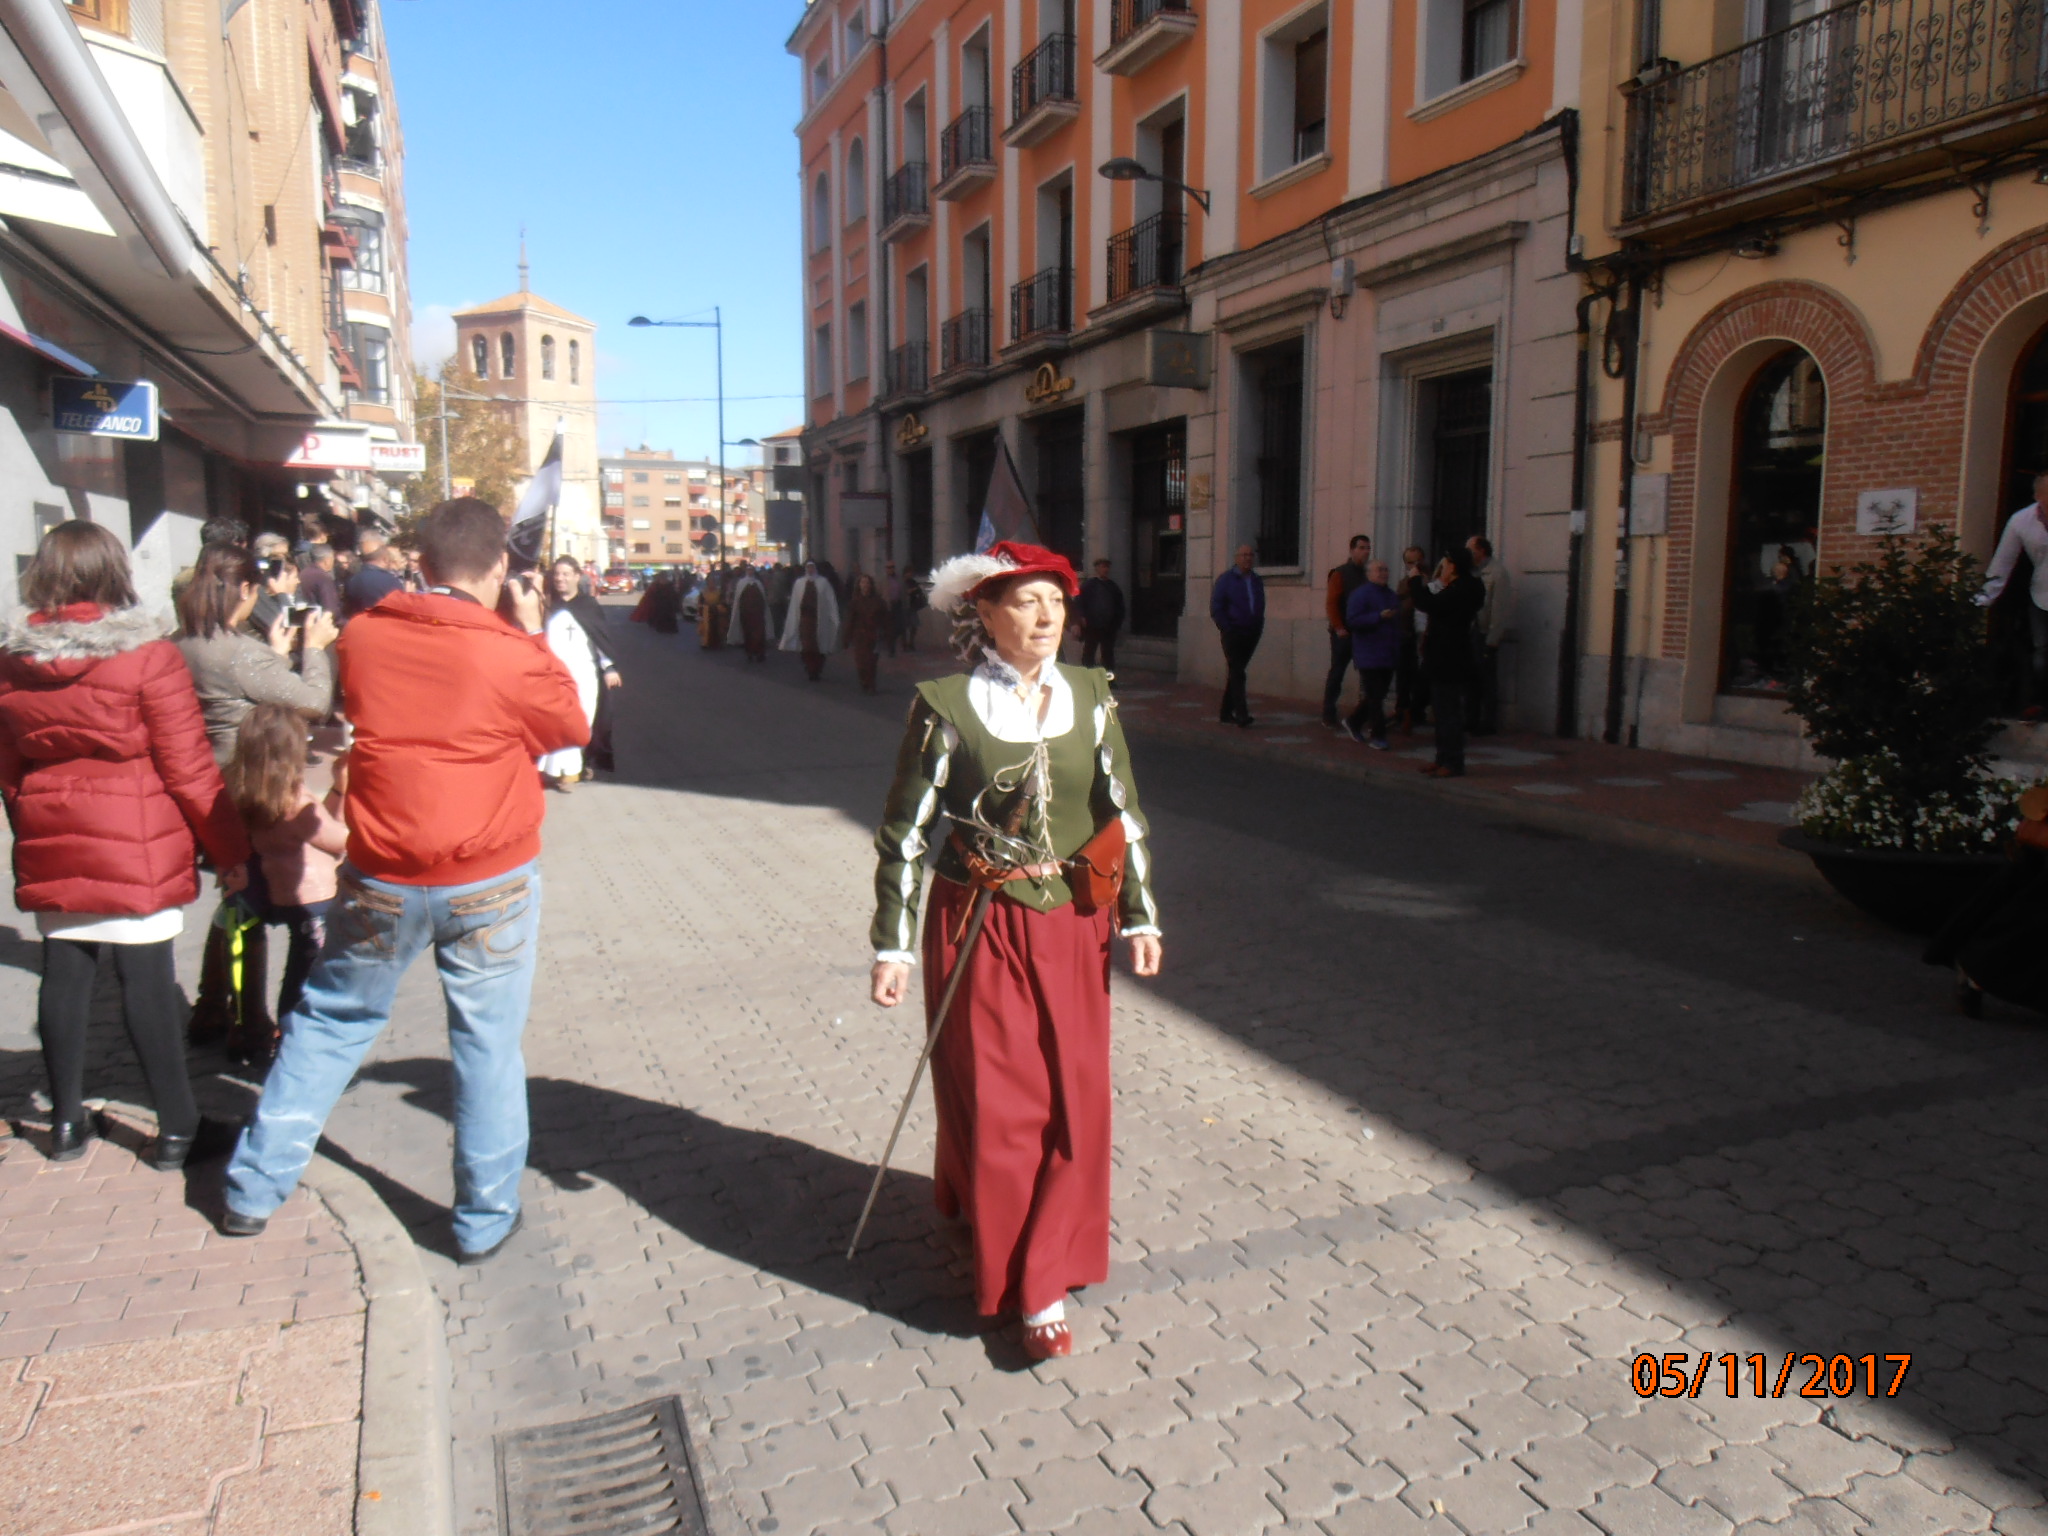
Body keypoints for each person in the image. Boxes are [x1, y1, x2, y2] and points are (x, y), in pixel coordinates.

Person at [221, 498, 589, 1260]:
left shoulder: (363, 635)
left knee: (330, 1021)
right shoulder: (506, 648)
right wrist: (526, 626)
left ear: (420, 563)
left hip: (380, 872)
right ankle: (482, 1220)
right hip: (489, 876)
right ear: (497, 568)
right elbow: (569, 725)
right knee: (486, 1045)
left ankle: (252, 1188)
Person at [869, 540, 1162, 1362]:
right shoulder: (947, 704)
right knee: (1001, 1101)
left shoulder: (1092, 696)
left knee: (1075, 1101)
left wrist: (1140, 915)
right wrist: (890, 945)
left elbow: (1122, 812)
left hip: (1071, 921)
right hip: (979, 921)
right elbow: (905, 833)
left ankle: (1046, 1263)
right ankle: (1024, 1284)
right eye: (1026, 602)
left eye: (1057, 603)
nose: (1045, 618)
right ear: (985, 615)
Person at [0, 522, 251, 1169]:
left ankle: (62, 1124)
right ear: (115, 572)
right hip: (136, 841)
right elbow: (189, 767)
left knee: (65, 975)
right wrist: (230, 850)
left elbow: (7, 767)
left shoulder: (11, 659)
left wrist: (27, 828)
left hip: (51, 834)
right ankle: (176, 1130)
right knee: (144, 979)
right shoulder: (148, 656)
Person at [226, 703, 348, 1033]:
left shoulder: (250, 795)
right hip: (318, 899)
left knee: (299, 969)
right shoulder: (298, 803)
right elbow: (338, 840)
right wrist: (347, 791)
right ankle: (297, 1041)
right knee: (315, 977)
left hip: (284, 897)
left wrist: (336, 789)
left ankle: (283, 1034)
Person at [176, 544, 338, 766]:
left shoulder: (178, 640)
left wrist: (277, 656)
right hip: (241, 768)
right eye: (255, 591)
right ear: (244, 590)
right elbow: (315, 702)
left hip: (198, 759)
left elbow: (240, 682)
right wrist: (315, 647)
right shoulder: (241, 652)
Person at [538, 555, 623, 792]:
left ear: (577, 576)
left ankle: (574, 766)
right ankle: (563, 772)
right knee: (558, 722)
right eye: (557, 574)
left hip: (583, 673)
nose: (560, 579)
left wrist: (608, 667)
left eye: (566, 574)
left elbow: (600, 640)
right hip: (553, 674)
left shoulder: (589, 606)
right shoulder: (547, 605)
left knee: (582, 720)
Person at [1411, 547, 1486, 778]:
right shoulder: (1467, 586)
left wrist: (1415, 581)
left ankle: (1453, 762)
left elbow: (1427, 603)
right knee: (1441, 712)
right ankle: (1442, 757)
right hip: (1445, 656)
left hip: (1449, 658)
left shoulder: (1462, 589)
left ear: (1454, 566)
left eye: (1446, 563)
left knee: (1449, 713)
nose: (1442, 567)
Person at [1980, 480, 2048, 719]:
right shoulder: (2022, 521)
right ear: (2039, 497)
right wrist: (1983, 600)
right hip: (2043, 594)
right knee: (2042, 652)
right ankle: (2041, 702)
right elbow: (2003, 562)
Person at [1341, 560, 1403, 749]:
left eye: (1386, 569)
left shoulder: (1391, 595)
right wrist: (1377, 617)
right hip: (1368, 653)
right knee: (1376, 697)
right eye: (1379, 570)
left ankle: (1353, 721)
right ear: (1369, 574)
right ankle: (1378, 736)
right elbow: (1352, 620)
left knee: (1378, 694)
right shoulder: (1360, 594)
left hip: (1388, 653)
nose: (1384, 573)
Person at [1210, 543, 1265, 728]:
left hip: (1251, 632)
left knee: (1236, 672)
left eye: (1250, 555)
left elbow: (1260, 604)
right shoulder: (1226, 580)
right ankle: (1242, 714)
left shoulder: (1256, 580)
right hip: (1233, 632)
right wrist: (1226, 627)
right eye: (1243, 555)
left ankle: (1225, 712)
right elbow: (1217, 607)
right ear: (1236, 558)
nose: (1247, 558)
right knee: (1238, 672)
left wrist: (1258, 626)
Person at [1322, 535, 1372, 729]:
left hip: (1364, 633)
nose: (1365, 551)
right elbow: (1332, 602)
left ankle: (1364, 713)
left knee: (1368, 675)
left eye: (1367, 548)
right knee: (1337, 672)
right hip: (1344, 633)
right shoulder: (1340, 573)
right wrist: (1339, 627)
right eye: (1361, 548)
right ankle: (1328, 712)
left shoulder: (1370, 574)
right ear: (1352, 550)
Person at [1466, 535, 1512, 735]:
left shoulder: (1497, 573)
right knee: (1470, 678)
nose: (1467, 552)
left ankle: (1487, 722)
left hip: (1485, 633)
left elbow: (1499, 609)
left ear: (1481, 550)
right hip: (1470, 631)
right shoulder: (1471, 571)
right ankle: (1470, 719)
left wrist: (1493, 639)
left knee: (1486, 680)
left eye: (1470, 548)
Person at [782, 561, 842, 682]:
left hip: (820, 620)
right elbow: (795, 603)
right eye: (808, 567)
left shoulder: (823, 583)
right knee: (807, 646)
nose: (810, 570)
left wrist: (833, 617)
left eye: (812, 567)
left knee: (819, 645)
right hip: (805, 621)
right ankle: (809, 668)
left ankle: (817, 668)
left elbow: (829, 601)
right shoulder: (799, 583)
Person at [1394, 545, 1431, 733]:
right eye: (1410, 562)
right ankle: (1403, 711)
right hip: (1407, 635)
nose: (1415, 565)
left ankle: (1418, 711)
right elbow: (1401, 605)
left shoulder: (1432, 580)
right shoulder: (1403, 583)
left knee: (1424, 676)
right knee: (1404, 676)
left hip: (1427, 634)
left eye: (1418, 560)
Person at [1076, 558, 1126, 674]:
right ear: (1097, 568)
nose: (1105, 569)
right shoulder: (1089, 585)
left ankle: (1109, 680)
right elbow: (1079, 602)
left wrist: (1117, 623)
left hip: (1109, 626)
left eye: (1107, 567)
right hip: (1092, 624)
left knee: (1108, 654)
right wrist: (1082, 617)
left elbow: (1120, 606)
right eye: (1102, 567)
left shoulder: (1113, 587)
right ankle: (1087, 676)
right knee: (1089, 651)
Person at [342, 528, 406, 619]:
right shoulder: (391, 582)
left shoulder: (351, 581)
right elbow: (401, 613)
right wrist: (408, 595)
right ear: (385, 557)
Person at [845, 571, 890, 693]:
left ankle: (871, 684)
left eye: (867, 582)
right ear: (859, 585)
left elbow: (885, 619)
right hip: (859, 636)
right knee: (861, 662)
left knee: (871, 661)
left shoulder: (878, 601)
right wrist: (846, 637)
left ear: (871, 585)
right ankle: (864, 680)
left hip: (873, 635)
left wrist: (887, 635)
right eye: (862, 582)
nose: (865, 585)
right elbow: (850, 620)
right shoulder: (855, 602)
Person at [726, 563, 770, 662]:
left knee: (759, 634)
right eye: (748, 570)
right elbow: (738, 599)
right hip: (746, 614)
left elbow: (763, 598)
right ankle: (749, 653)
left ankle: (760, 653)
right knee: (748, 634)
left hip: (758, 615)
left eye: (752, 570)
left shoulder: (758, 583)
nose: (750, 572)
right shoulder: (741, 583)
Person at [298, 542, 341, 618]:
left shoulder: (302, 574)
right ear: (327, 560)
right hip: (322, 623)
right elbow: (330, 608)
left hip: (304, 619)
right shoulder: (323, 578)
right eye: (333, 559)